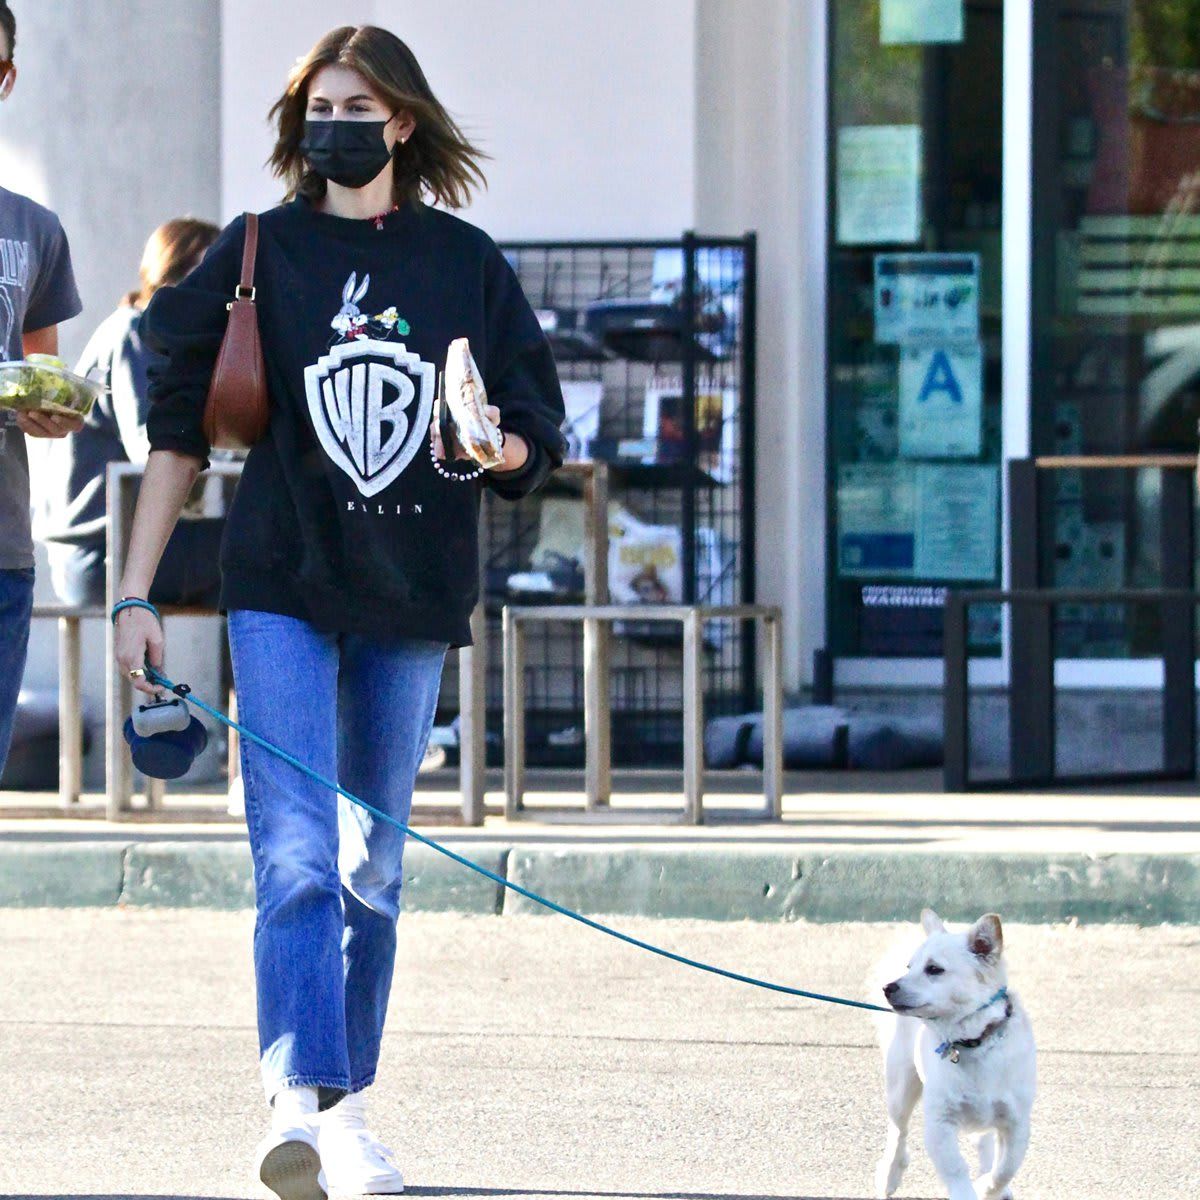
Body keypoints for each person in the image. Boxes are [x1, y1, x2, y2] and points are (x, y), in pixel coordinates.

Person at [113, 23, 565, 1200]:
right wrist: (135, 593)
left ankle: (349, 1110)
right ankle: (299, 1105)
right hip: (282, 586)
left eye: (356, 106)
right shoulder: (258, 250)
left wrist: (493, 439)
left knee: (375, 869)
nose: (334, 128)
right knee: (302, 857)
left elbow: (534, 433)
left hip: (411, 596)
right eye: (319, 107)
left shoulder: (465, 263)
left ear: (401, 121)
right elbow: (176, 433)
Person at [41, 218, 223, 607]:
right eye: (211, 276)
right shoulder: (133, 332)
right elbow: (153, 444)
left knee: (259, 553)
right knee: (263, 551)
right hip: (98, 553)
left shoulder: (143, 331)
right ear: (175, 276)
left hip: (108, 546)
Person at [0, 0, 84, 775]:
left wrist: (48, 412)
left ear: (7, 77)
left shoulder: (34, 229)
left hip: (2, 545)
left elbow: (40, 375)